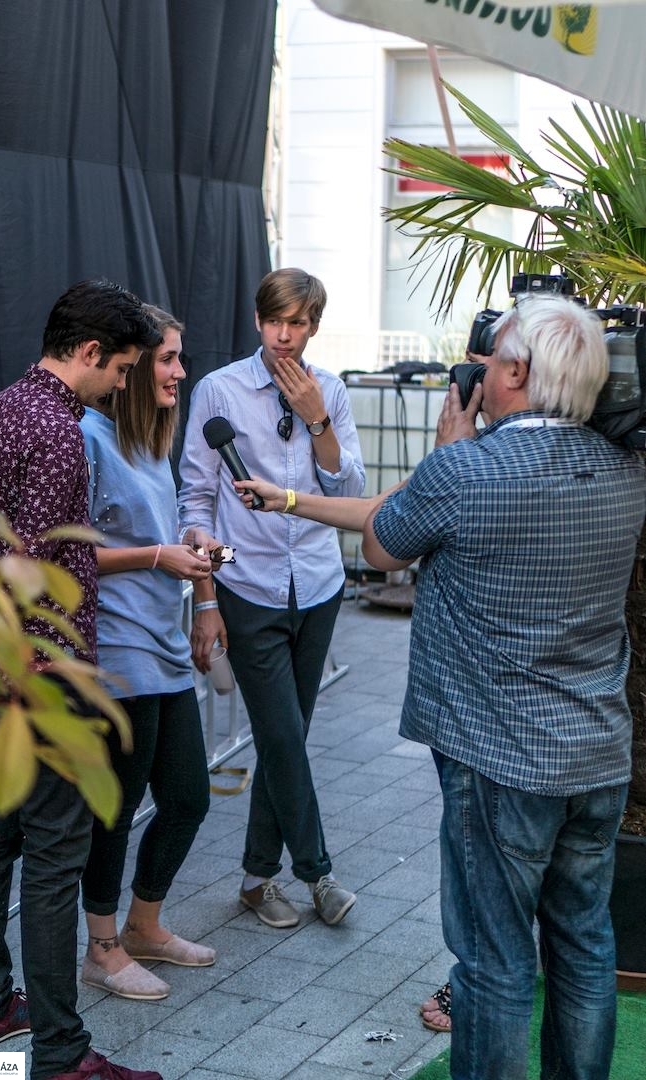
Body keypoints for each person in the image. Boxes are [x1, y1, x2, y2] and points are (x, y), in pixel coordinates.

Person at [235, 293, 646, 1079]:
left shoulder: (465, 468)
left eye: (488, 362)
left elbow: (385, 548)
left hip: (497, 759)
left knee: (492, 960)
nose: (477, 372)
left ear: (518, 371)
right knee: (584, 945)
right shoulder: (625, 470)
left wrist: (449, 447)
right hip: (595, 754)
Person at [0, 280, 165, 1080]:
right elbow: (26, 560)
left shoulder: (3, 407)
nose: (123, 383)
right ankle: (63, 1056)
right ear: (87, 352)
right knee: (53, 858)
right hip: (41, 672)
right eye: (121, 369)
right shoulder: (59, 431)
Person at [178, 267, 365, 929]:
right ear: (258, 321)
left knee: (286, 740)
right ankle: (318, 874)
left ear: (313, 325)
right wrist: (203, 584)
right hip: (248, 587)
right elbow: (194, 495)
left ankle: (256, 880)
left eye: (298, 322)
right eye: (274, 321)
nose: (284, 335)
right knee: (283, 735)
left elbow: (348, 501)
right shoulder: (218, 390)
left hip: (317, 584)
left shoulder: (332, 393)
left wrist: (318, 422)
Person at [79, 307, 217, 1002]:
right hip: (117, 652)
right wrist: (157, 555)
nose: (177, 372)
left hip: (164, 646)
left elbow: (163, 540)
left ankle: (143, 926)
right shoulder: (86, 438)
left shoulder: (151, 444)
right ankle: (100, 948)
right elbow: (66, 556)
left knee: (188, 798)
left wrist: (196, 564)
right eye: (164, 360)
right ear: (129, 369)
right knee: (118, 803)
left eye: (177, 359)